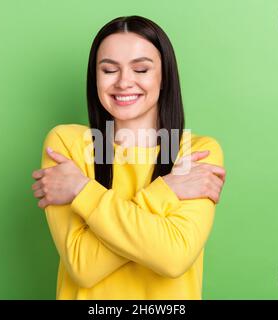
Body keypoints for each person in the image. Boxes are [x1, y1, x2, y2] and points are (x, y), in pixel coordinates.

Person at [31, 15, 227, 299]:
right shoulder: (67, 144)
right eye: (109, 70)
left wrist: (81, 190)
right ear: (95, 77)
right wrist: (167, 191)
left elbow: (172, 258)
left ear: (164, 77)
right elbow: (83, 266)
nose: (124, 82)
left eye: (141, 69)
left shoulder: (197, 153)